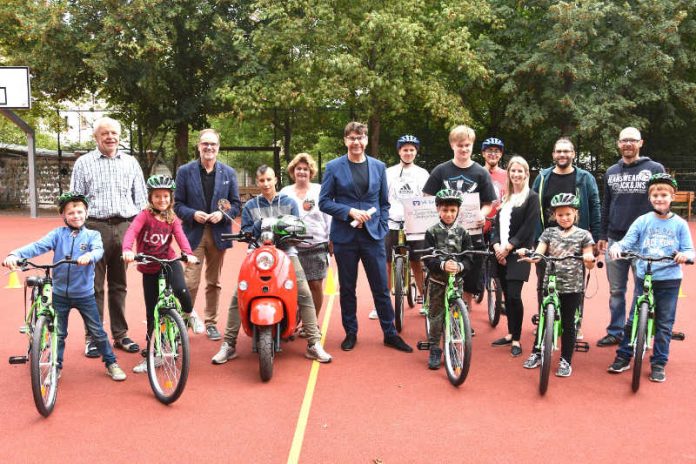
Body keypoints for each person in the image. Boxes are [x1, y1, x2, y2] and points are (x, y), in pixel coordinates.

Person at [212, 165, 332, 364]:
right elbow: (247, 231)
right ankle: (228, 344)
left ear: (276, 179)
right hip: (257, 255)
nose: (266, 184)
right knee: (238, 295)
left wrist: (285, 230)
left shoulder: (289, 202)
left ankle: (314, 343)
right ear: (257, 182)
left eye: (269, 179)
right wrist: (260, 227)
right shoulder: (251, 205)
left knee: (304, 292)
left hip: (286, 253)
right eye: (261, 181)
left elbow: (297, 227)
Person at [2, 192, 127, 381]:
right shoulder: (58, 235)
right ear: (63, 216)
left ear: (86, 213)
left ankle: (111, 363)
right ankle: (56, 366)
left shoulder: (92, 235)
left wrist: (89, 257)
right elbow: (37, 246)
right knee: (58, 334)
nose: (75, 216)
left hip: (85, 295)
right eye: (71, 213)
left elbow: (98, 250)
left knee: (97, 332)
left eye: (79, 212)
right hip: (60, 295)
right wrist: (14, 254)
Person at [319, 121, 413, 353]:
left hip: (373, 237)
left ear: (366, 140)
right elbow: (324, 202)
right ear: (345, 141)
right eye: (351, 138)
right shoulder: (333, 167)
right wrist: (349, 211)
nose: (356, 142)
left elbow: (384, 203)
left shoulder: (379, 166)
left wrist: (380, 224)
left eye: (360, 138)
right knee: (348, 288)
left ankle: (389, 333)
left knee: (381, 287)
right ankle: (351, 332)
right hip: (345, 237)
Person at [70, 116, 148, 357]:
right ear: (96, 137)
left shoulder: (131, 162)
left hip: (124, 226)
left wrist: (139, 230)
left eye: (114, 133)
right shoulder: (83, 163)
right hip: (94, 228)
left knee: (119, 285)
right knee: (94, 287)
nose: (110, 137)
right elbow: (76, 199)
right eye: (105, 133)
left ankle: (120, 334)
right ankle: (93, 337)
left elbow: (141, 199)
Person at [607, 173, 694, 382]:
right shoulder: (642, 221)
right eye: (655, 195)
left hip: (669, 279)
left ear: (672, 196)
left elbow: (690, 250)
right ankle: (624, 355)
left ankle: (659, 362)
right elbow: (626, 242)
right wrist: (617, 247)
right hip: (644, 275)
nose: (659, 198)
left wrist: (686, 256)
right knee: (632, 318)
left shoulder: (680, 224)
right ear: (649, 198)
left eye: (664, 194)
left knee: (665, 322)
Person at [122, 175, 202, 373]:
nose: (162, 200)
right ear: (150, 197)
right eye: (157, 196)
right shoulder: (144, 216)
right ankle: (154, 353)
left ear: (171, 197)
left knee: (182, 290)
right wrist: (127, 250)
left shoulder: (172, 218)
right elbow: (132, 231)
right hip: (149, 265)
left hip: (168, 262)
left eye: (166, 196)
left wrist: (188, 253)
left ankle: (190, 313)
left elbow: (181, 237)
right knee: (152, 313)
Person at [595, 127, 665, 347]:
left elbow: (663, 200)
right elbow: (606, 205)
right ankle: (615, 331)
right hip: (616, 238)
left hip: (644, 240)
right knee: (616, 290)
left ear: (640, 143)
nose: (628, 144)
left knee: (641, 289)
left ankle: (634, 330)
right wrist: (603, 234)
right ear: (618, 144)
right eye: (624, 140)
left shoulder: (654, 168)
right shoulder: (611, 172)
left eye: (632, 140)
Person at [174, 128, 241, 341]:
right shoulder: (185, 171)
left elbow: (236, 205)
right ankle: (183, 320)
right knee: (190, 282)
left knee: (214, 281)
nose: (209, 148)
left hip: (218, 234)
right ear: (199, 146)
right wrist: (193, 214)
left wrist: (223, 215)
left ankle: (211, 322)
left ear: (218, 147)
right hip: (194, 233)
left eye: (213, 144)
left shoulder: (228, 173)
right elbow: (177, 205)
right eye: (205, 144)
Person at [422, 125, 497, 315]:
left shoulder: (481, 172)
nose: (464, 149)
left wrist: (482, 213)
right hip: (444, 233)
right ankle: (439, 311)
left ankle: (464, 313)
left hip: (471, 232)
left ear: (472, 146)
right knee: (441, 269)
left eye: (468, 145)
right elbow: (426, 196)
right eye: (460, 145)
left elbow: (489, 202)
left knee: (470, 270)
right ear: (452, 146)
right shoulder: (441, 170)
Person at [519, 193, 595, 377]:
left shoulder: (584, 235)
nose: (564, 218)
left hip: (572, 286)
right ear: (554, 216)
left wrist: (589, 258)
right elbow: (539, 253)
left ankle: (566, 360)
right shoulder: (548, 233)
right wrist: (530, 256)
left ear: (575, 213)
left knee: (569, 323)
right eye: (560, 215)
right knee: (544, 318)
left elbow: (589, 261)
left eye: (568, 214)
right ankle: (537, 352)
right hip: (551, 282)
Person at [531, 137, 601, 321]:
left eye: (566, 151)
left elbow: (595, 205)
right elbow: (533, 205)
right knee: (544, 283)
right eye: (559, 151)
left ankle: (574, 322)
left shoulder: (585, 178)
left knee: (574, 285)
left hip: (575, 240)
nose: (562, 154)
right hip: (547, 240)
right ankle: (545, 319)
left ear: (573, 154)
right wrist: (534, 238)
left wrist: (597, 236)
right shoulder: (543, 177)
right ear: (553, 154)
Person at [368, 134, 429, 320]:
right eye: (405, 149)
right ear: (399, 151)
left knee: (417, 262)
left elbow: (427, 199)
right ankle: (382, 306)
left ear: (416, 152)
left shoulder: (422, 173)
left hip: (415, 224)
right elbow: (382, 197)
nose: (408, 153)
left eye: (411, 150)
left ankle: (425, 300)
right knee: (386, 264)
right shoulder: (389, 172)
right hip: (391, 222)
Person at [489, 156, 539, 357]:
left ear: (526, 174)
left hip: (517, 253)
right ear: (508, 174)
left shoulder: (531, 197)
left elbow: (529, 227)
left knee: (514, 295)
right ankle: (510, 333)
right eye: (513, 171)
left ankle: (517, 338)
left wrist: (508, 247)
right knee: (506, 298)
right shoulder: (505, 198)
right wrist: (495, 247)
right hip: (500, 253)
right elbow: (495, 226)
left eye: (520, 171)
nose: (516, 174)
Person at [423, 189, 474, 369]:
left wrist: (460, 266)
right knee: (436, 316)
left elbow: (469, 257)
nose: (449, 214)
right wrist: (442, 265)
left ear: (458, 211)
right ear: (438, 210)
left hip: (456, 282)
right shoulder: (431, 232)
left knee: (455, 314)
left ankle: (453, 345)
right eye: (445, 210)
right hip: (438, 282)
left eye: (453, 210)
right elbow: (428, 258)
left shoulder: (464, 233)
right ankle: (435, 348)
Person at [280, 153, 332, 323]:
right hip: (292, 247)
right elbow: (280, 217)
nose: (302, 172)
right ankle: (293, 319)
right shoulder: (285, 192)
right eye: (298, 169)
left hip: (317, 243)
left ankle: (311, 323)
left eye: (305, 169)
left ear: (311, 172)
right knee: (293, 286)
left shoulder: (319, 190)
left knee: (315, 285)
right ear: (293, 171)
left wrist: (332, 239)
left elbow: (329, 216)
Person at [481, 137, 508, 237]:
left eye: (496, 151)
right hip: (480, 226)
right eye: (489, 150)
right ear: (483, 153)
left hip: (501, 227)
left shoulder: (508, 175)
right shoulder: (477, 173)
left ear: (500, 154)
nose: (493, 154)